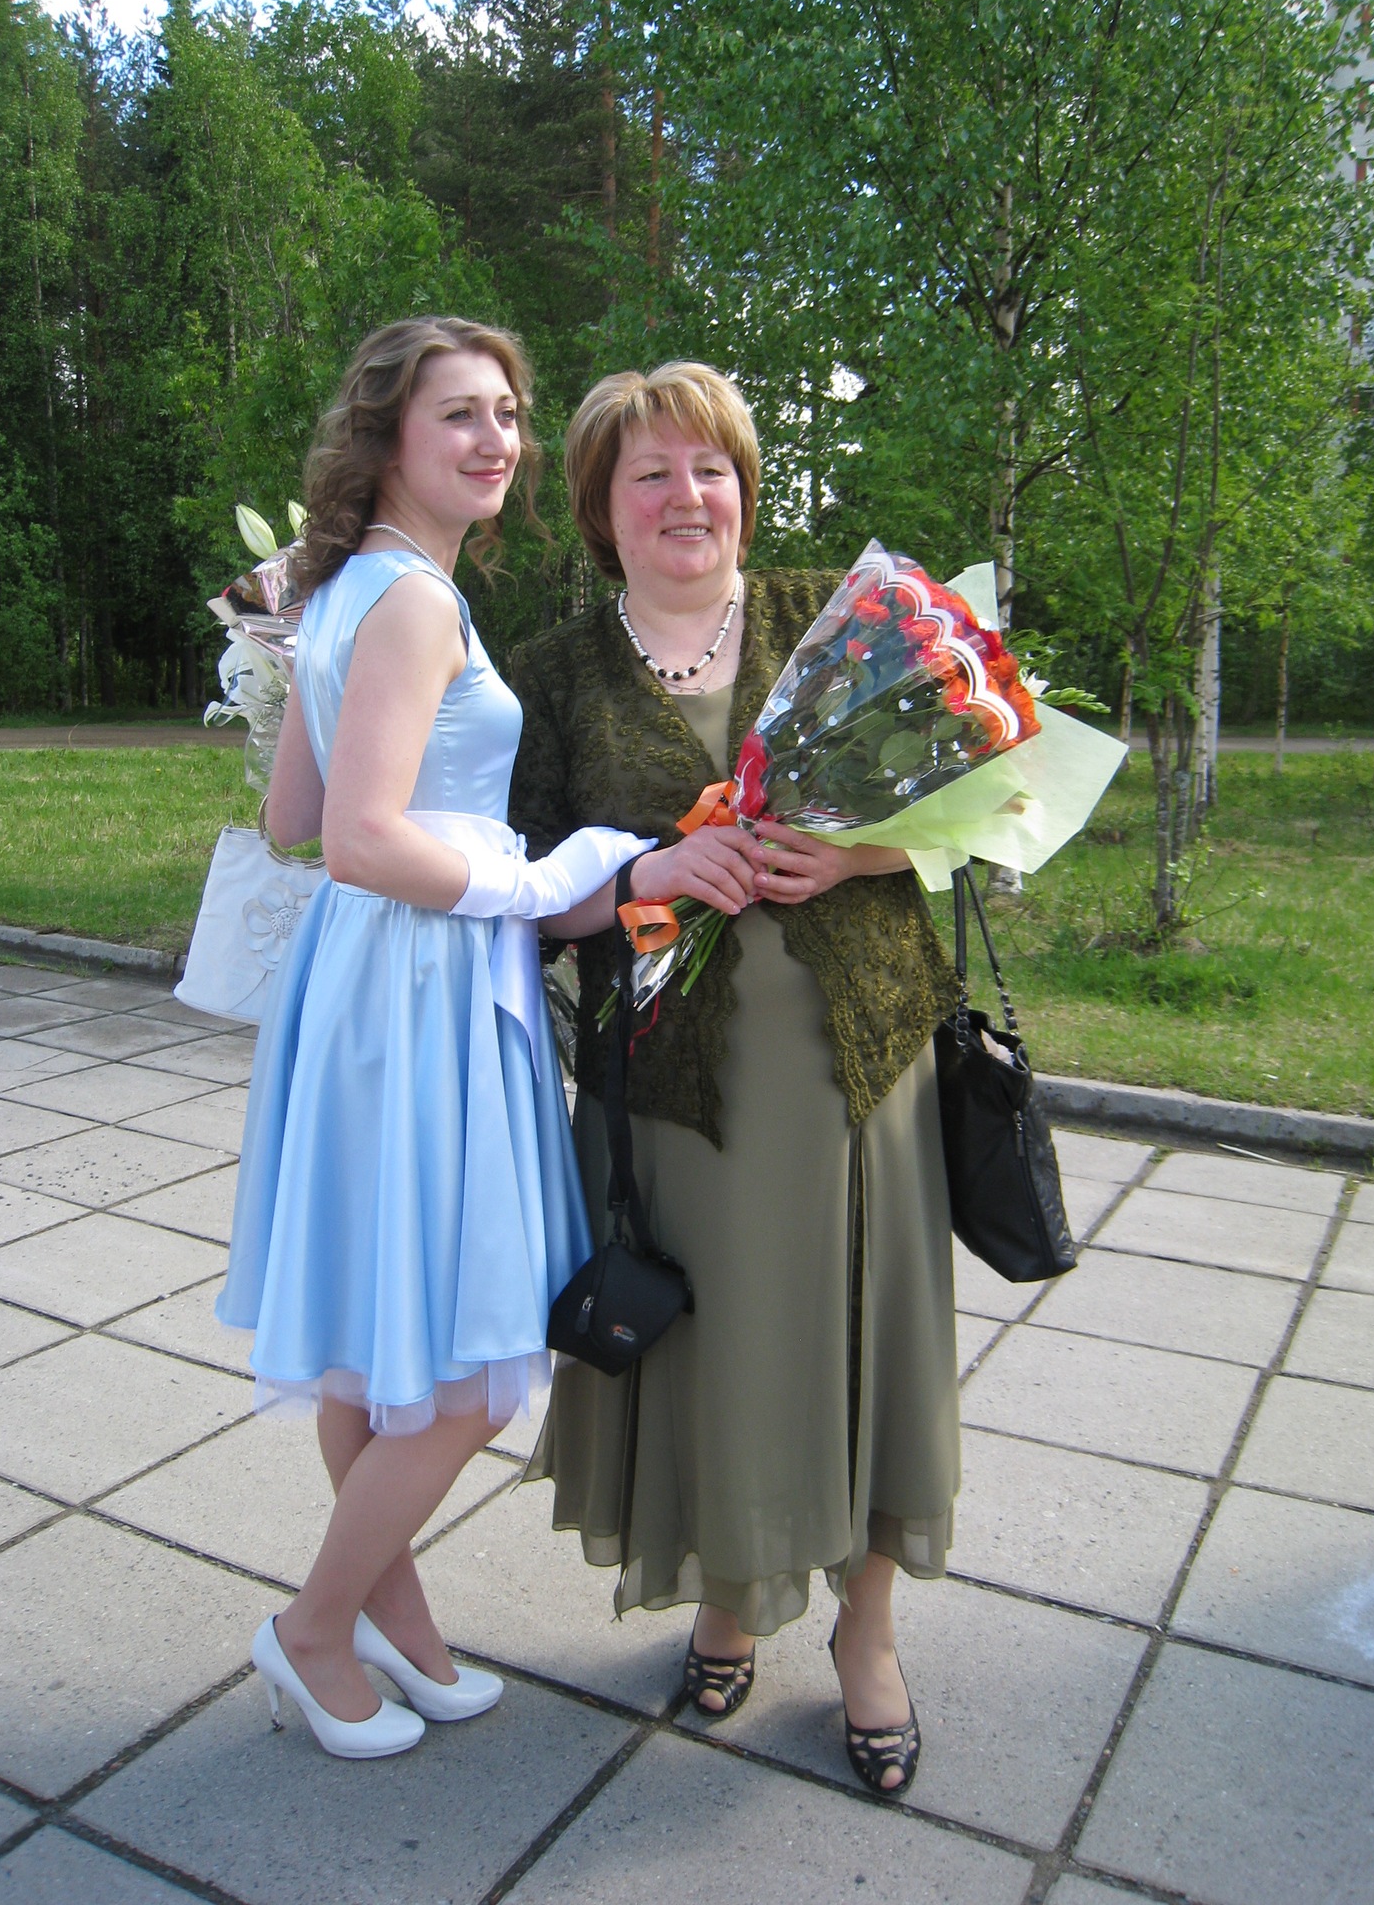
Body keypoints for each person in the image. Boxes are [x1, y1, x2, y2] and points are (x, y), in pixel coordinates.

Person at [508, 362, 961, 1796]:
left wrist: (858, 853)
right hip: (679, 1100)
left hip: (860, 1074)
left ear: (746, 490)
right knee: (721, 1359)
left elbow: (980, 806)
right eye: (649, 474)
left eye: (710, 468)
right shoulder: (551, 675)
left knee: (865, 1345)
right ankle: (729, 1595)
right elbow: (518, 895)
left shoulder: (842, 617)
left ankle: (866, 1635)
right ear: (604, 508)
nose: (685, 496)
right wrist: (648, 871)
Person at [215, 317, 648, 1760]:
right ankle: (312, 1629)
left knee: (372, 1344)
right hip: (421, 991)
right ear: (388, 436)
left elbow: (289, 815)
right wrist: (533, 880)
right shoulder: (408, 602)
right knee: (465, 1374)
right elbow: (352, 839)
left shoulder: (345, 589)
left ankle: (389, 1624)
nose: (497, 439)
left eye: (509, 413)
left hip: (368, 989)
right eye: (460, 412)